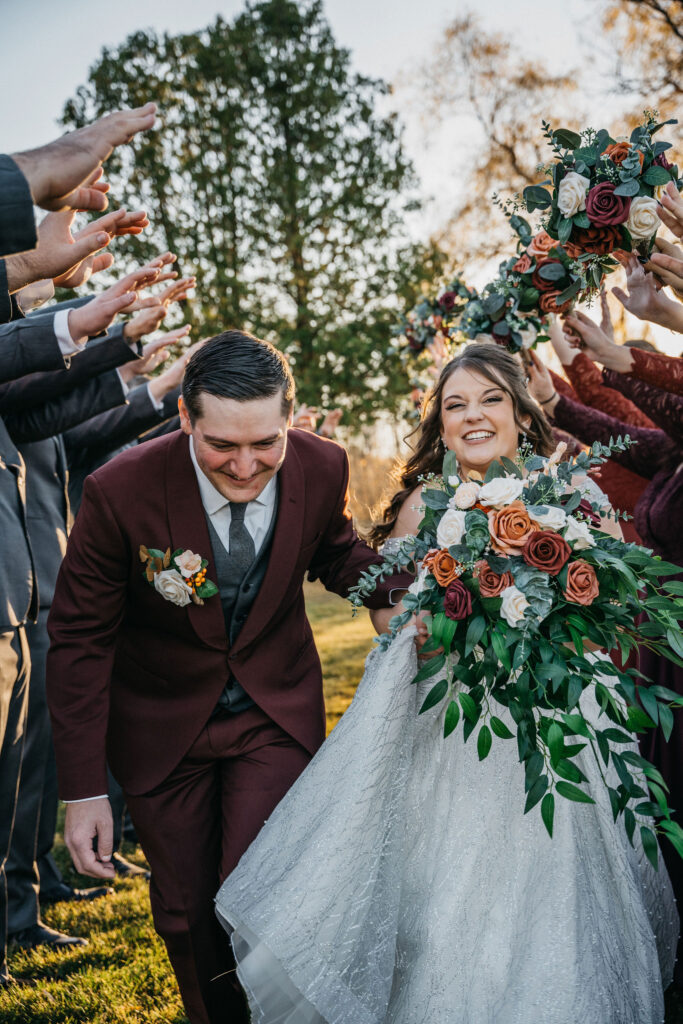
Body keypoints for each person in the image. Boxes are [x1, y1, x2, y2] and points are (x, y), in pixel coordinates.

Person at [215, 343, 678, 1024]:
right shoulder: (424, 503)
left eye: (490, 399)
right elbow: (391, 618)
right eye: (455, 404)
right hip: (455, 724)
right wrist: (426, 627)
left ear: (522, 411)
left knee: (555, 885)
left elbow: (608, 598)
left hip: (556, 722)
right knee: (446, 895)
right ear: (439, 421)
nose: (472, 416)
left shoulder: (572, 492)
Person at [45, 329, 412, 1024]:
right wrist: (85, 790)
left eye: (265, 443)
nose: (246, 467)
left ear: (289, 419)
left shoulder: (320, 465)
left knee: (256, 892)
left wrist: (421, 590)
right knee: (185, 915)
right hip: (160, 728)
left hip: (271, 715)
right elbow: (79, 641)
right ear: (185, 418)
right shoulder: (119, 492)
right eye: (222, 446)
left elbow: (334, 553)